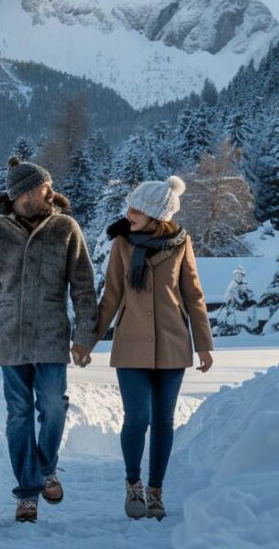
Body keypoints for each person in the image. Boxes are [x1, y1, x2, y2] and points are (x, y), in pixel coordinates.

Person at [0, 157, 98, 525]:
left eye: (37, 189)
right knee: (18, 415)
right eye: (24, 191)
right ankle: (27, 493)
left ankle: (47, 468)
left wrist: (84, 336)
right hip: (10, 338)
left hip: (52, 336)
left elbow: (84, 288)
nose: (35, 195)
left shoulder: (66, 229)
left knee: (53, 407)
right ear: (15, 195)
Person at [72, 175, 213, 521]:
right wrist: (86, 341)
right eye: (130, 206)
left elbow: (193, 294)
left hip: (173, 344)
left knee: (164, 421)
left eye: (136, 209)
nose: (129, 212)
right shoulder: (122, 244)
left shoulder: (181, 243)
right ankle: (133, 483)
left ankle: (156, 491)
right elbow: (111, 297)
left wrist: (204, 344)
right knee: (138, 418)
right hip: (131, 344)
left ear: (155, 215)